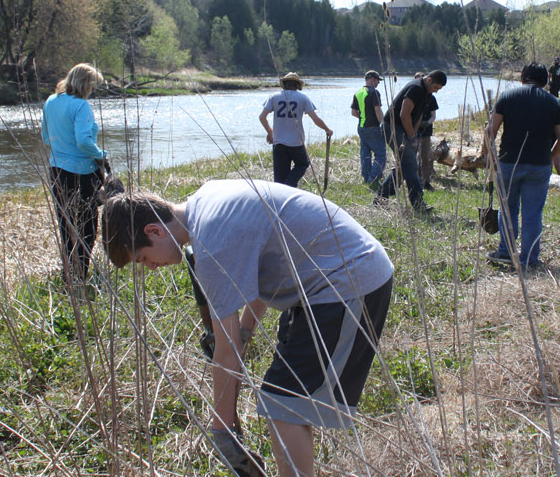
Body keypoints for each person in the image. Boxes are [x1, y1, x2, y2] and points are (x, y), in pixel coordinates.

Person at [100, 180, 394, 477]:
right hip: (319, 286)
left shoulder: (211, 242)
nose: (150, 267)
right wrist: (244, 331)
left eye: (143, 258)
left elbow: (228, 354)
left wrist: (222, 431)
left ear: (154, 231)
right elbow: (253, 275)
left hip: (349, 281)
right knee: (283, 397)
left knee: (284, 405)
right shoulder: (207, 201)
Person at [480, 63, 560, 269]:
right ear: (544, 81)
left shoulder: (507, 97)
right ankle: (528, 258)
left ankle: (505, 251)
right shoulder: (554, 102)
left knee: (508, 208)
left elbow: (489, 131)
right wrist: (551, 156)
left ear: (523, 78)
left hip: (508, 162)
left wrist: (489, 156)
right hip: (538, 164)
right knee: (533, 212)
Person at [42, 63, 109, 288]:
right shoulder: (81, 106)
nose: (92, 90)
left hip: (57, 172)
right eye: (92, 85)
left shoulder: (50, 101)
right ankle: (81, 273)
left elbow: (45, 137)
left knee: (66, 223)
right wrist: (101, 155)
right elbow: (83, 141)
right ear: (84, 84)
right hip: (82, 173)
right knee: (87, 226)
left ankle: (69, 273)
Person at [376, 70, 446, 211]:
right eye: (436, 87)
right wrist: (411, 136)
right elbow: (404, 113)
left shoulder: (427, 93)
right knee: (411, 164)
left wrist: (413, 133)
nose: (436, 91)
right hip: (392, 127)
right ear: (429, 79)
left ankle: (381, 198)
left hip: (404, 129)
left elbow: (418, 115)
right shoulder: (416, 88)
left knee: (404, 165)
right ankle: (418, 203)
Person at [259, 72, 332, 188]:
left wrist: (270, 132)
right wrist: (327, 129)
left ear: (284, 84)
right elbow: (315, 119)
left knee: (279, 180)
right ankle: (290, 183)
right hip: (296, 142)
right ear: (298, 85)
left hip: (278, 142)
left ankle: (281, 196)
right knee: (302, 164)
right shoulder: (303, 98)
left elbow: (262, 117)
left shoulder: (274, 97)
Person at [350, 70, 387, 187]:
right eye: (377, 81)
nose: (378, 83)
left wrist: (363, 117)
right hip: (373, 128)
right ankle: (373, 178)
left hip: (361, 128)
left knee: (365, 155)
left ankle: (366, 178)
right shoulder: (374, 93)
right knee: (381, 154)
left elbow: (353, 112)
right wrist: (383, 124)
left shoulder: (358, 93)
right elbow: (377, 110)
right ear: (372, 79)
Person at [412, 72, 439, 191]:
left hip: (426, 131)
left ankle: (426, 181)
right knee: (414, 156)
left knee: (425, 157)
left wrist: (427, 123)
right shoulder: (413, 95)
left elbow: (433, 115)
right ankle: (416, 180)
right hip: (413, 131)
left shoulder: (431, 98)